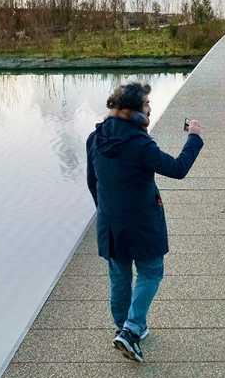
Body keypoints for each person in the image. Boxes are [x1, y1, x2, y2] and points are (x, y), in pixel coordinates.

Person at [86, 82, 203, 363]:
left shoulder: (95, 138)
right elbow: (177, 169)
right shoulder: (139, 144)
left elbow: (92, 182)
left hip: (111, 223)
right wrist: (195, 138)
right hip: (141, 221)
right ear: (134, 111)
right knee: (151, 272)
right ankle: (132, 329)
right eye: (147, 105)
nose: (150, 108)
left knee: (119, 275)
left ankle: (122, 327)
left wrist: (106, 212)